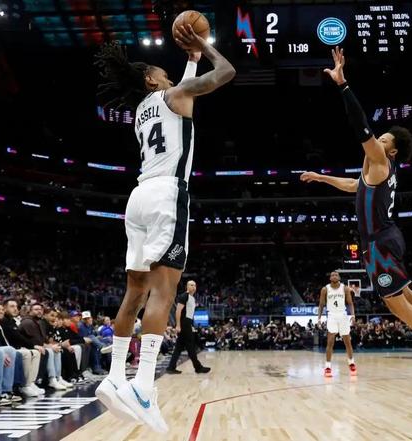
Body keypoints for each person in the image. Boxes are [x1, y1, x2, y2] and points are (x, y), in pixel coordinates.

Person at [93, 24, 235, 432]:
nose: (172, 78)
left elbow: (180, 94)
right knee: (164, 290)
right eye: (165, 74)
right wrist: (204, 46)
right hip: (167, 196)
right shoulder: (174, 95)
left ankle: (115, 377)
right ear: (152, 81)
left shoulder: (143, 111)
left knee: (135, 291)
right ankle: (142, 386)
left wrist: (190, 61)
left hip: (138, 198)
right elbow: (226, 72)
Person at [300, 47, 412, 379]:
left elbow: (360, 126)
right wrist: (321, 177)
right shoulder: (373, 172)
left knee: (395, 303)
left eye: (384, 138)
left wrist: (343, 85)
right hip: (384, 239)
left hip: (379, 242)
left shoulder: (380, 160)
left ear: (391, 150)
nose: (379, 138)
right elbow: (354, 186)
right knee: (406, 294)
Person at [316, 272, 356, 377]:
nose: (334, 276)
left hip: (343, 315)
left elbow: (350, 303)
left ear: (339, 277)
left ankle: (351, 363)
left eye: (336, 275)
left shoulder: (345, 288)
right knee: (330, 342)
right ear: (330, 278)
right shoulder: (325, 289)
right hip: (331, 315)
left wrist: (353, 315)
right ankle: (328, 367)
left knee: (347, 342)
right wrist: (319, 319)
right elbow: (321, 305)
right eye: (332, 275)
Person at [166, 280, 210, 374]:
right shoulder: (184, 296)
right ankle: (198, 367)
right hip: (184, 323)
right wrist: (178, 325)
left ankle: (171, 367)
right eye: (191, 285)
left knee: (179, 347)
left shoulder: (192, 298)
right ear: (187, 287)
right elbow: (178, 311)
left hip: (188, 322)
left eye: (194, 285)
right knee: (190, 345)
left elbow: (189, 313)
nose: (193, 287)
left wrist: (191, 324)